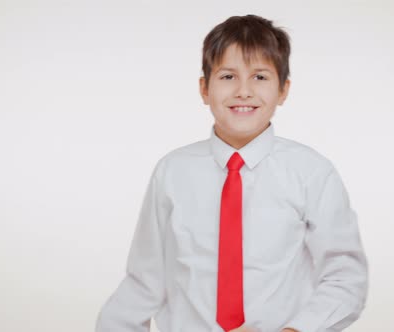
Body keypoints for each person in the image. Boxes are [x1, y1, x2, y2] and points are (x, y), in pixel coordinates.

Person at [95, 14, 369, 332]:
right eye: (227, 77)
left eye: (260, 77)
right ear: (204, 89)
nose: (243, 91)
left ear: (284, 90)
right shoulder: (172, 172)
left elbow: (345, 275)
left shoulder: (312, 173)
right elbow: (145, 281)